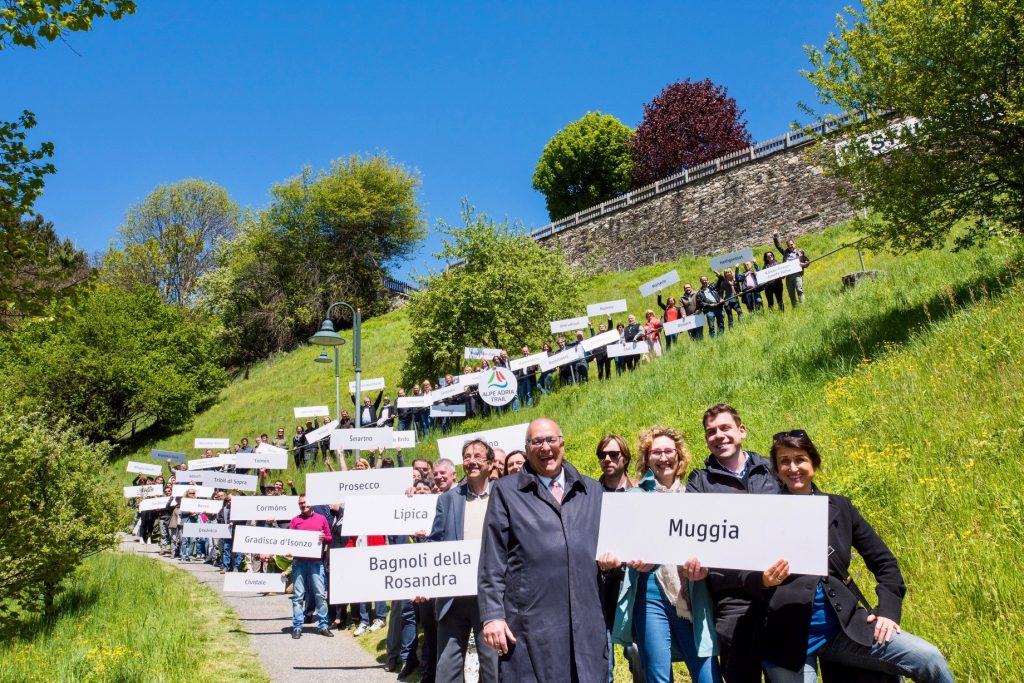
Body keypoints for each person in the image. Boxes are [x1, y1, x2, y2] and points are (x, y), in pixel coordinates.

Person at [750, 430, 953, 683]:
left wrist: (887, 611)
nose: (793, 468)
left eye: (800, 459)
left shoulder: (840, 507)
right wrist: (764, 581)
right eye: (784, 461)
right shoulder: (763, 513)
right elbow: (743, 576)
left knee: (929, 658)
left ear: (814, 462)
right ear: (777, 469)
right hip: (785, 638)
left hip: (843, 629)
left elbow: (885, 563)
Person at [478, 417, 607, 683]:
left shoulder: (592, 490)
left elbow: (611, 549)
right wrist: (492, 616)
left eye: (551, 440)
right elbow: (492, 559)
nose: (545, 447)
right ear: (527, 448)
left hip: (585, 619)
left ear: (563, 444)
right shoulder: (506, 491)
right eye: (537, 441)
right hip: (530, 623)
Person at [601, 427, 721, 683]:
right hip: (650, 592)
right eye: (656, 452)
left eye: (669, 451)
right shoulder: (633, 499)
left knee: (707, 674)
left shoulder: (695, 496)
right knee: (658, 676)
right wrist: (630, 559)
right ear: (646, 459)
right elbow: (620, 546)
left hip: (691, 592)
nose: (664, 457)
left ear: (679, 456)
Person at [686, 404, 777, 683]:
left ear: (742, 431)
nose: (719, 436)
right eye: (711, 432)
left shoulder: (772, 470)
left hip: (779, 594)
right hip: (732, 600)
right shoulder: (699, 482)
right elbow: (692, 538)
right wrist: (694, 565)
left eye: (725, 428)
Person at [418, 440, 499, 683]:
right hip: (453, 598)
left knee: (493, 668)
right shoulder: (448, 500)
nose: (471, 460)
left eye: (478, 456)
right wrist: (420, 578)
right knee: (447, 670)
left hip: (490, 598)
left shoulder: (504, 495)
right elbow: (435, 541)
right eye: (467, 456)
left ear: (491, 463)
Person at [594, 435, 644, 683]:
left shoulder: (640, 494)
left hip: (631, 582)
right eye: (602, 455)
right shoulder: (589, 495)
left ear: (625, 457)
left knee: (636, 652)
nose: (607, 459)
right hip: (599, 585)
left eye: (614, 454)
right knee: (601, 658)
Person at [288, 495, 334, 639]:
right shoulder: (295, 521)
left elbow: (329, 537)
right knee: (298, 596)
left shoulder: (321, 518)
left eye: (305, 502)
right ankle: (297, 626)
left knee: (320, 594)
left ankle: (323, 625)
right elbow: (288, 539)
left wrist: (323, 538)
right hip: (299, 562)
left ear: (312, 504)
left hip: (316, 562)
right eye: (301, 503)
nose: (303, 505)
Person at [773, 228, 810, 307]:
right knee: (791, 294)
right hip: (788, 276)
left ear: (794, 244)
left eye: (791, 244)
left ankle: (803, 307)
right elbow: (778, 246)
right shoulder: (785, 253)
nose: (790, 246)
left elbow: (807, 261)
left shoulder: (800, 253)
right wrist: (776, 236)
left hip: (797, 274)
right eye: (789, 245)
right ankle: (795, 308)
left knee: (799, 290)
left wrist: (804, 264)